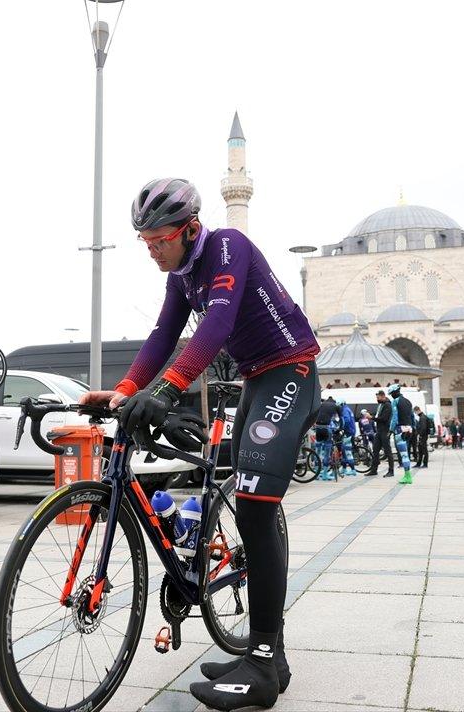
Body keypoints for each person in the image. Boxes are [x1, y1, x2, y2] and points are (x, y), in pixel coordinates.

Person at [80, 178, 320, 711]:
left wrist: (167, 390)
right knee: (246, 502)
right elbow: (163, 336)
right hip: (256, 380)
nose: (152, 250)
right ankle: (270, 657)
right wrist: (124, 392)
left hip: (292, 371)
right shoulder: (181, 276)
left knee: (255, 507)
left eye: (159, 240)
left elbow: (216, 326)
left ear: (190, 230)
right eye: (144, 242)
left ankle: (261, 665)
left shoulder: (228, 245)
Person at [388, 383, 415, 484]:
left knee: (403, 454)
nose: (391, 396)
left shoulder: (395, 401)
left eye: (391, 393)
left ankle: (407, 476)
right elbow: (412, 416)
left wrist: (391, 430)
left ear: (395, 392)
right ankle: (407, 475)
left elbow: (394, 417)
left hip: (400, 429)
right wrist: (413, 427)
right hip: (409, 428)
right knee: (406, 453)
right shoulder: (408, 401)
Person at [366, 389, 395, 476]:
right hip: (379, 430)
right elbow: (378, 416)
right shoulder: (381, 405)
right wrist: (373, 417)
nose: (377, 399)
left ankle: (391, 470)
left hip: (385, 430)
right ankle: (374, 470)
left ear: (383, 396)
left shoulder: (387, 405)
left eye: (378, 397)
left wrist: (372, 418)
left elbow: (384, 419)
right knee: (375, 450)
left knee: (388, 451)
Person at [314, 396, 341, 482]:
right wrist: (340, 428)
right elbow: (342, 419)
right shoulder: (335, 406)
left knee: (317, 451)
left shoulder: (321, 405)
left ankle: (316, 474)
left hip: (318, 428)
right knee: (327, 453)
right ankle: (325, 474)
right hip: (326, 428)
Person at [338, 401, 358, 476]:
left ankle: (353, 470)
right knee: (343, 451)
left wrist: (340, 427)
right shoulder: (348, 409)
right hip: (350, 431)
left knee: (347, 451)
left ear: (341, 404)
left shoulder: (345, 410)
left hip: (348, 432)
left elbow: (346, 420)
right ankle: (344, 468)